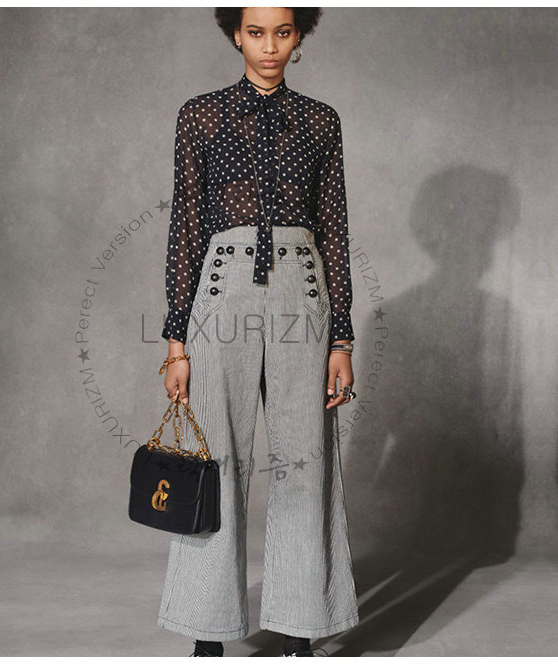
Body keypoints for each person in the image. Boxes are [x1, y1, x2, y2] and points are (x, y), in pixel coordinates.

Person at [157, 7, 359, 657]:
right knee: (215, 460)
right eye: (255, 32)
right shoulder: (201, 115)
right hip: (221, 295)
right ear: (234, 34)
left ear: (299, 36)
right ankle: (208, 629)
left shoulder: (321, 121)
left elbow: (334, 231)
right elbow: (186, 226)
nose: (269, 46)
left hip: (304, 292)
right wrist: (176, 341)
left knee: (305, 459)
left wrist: (342, 340)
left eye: (283, 32)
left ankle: (300, 625)